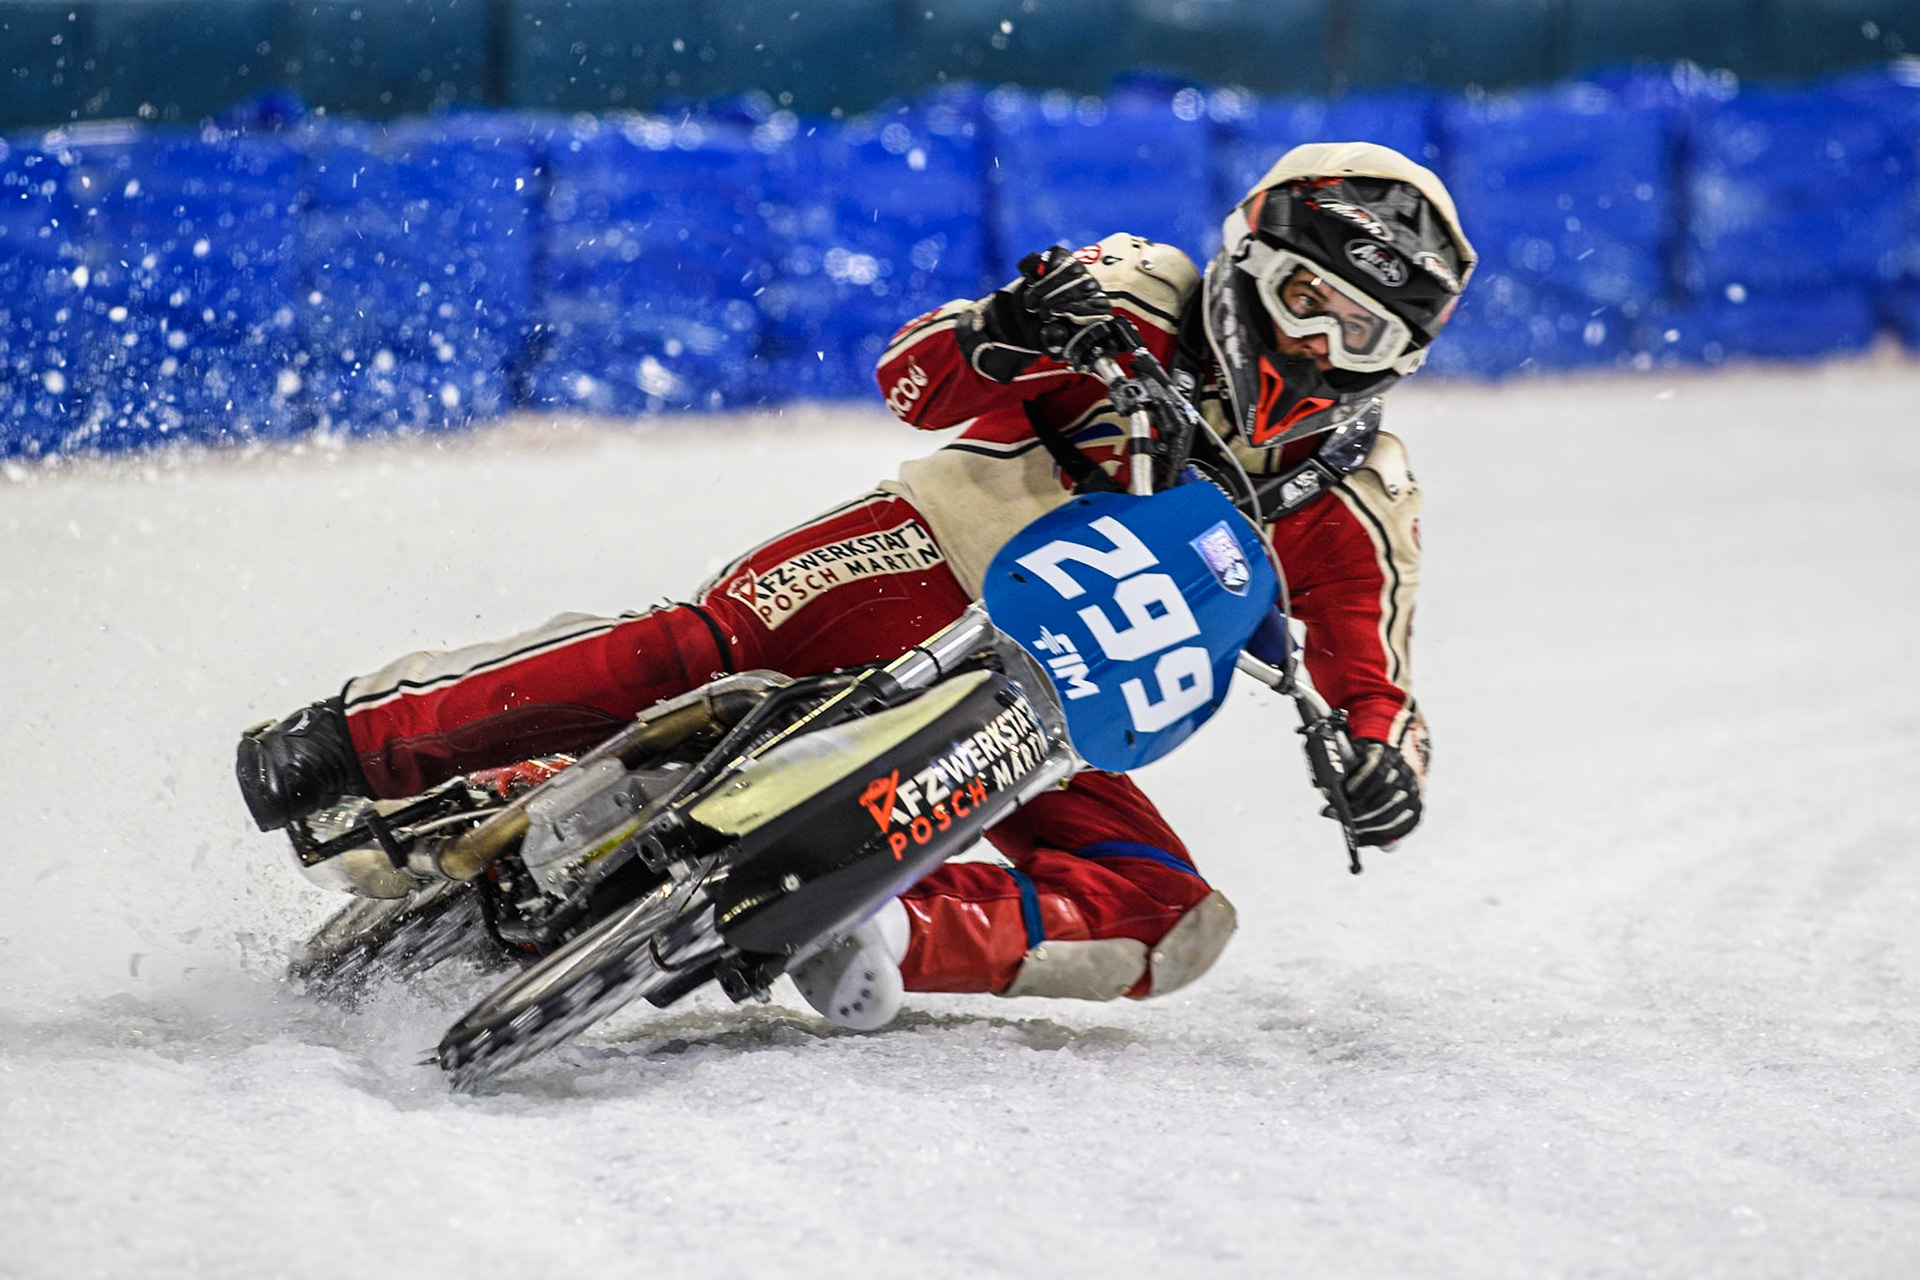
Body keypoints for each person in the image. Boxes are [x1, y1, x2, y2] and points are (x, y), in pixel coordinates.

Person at [237, 141, 1475, 1030]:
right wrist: (1004, 328)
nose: (1317, 346)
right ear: (1247, 256)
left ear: (1402, 359)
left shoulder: (1358, 493)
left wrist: (1380, 765)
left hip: (1058, 706)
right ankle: (364, 740)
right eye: (1306, 299)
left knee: (1172, 914)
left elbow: (1374, 676)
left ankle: (882, 926)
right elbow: (913, 378)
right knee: (697, 644)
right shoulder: (1134, 292)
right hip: (919, 558)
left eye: (1360, 333)